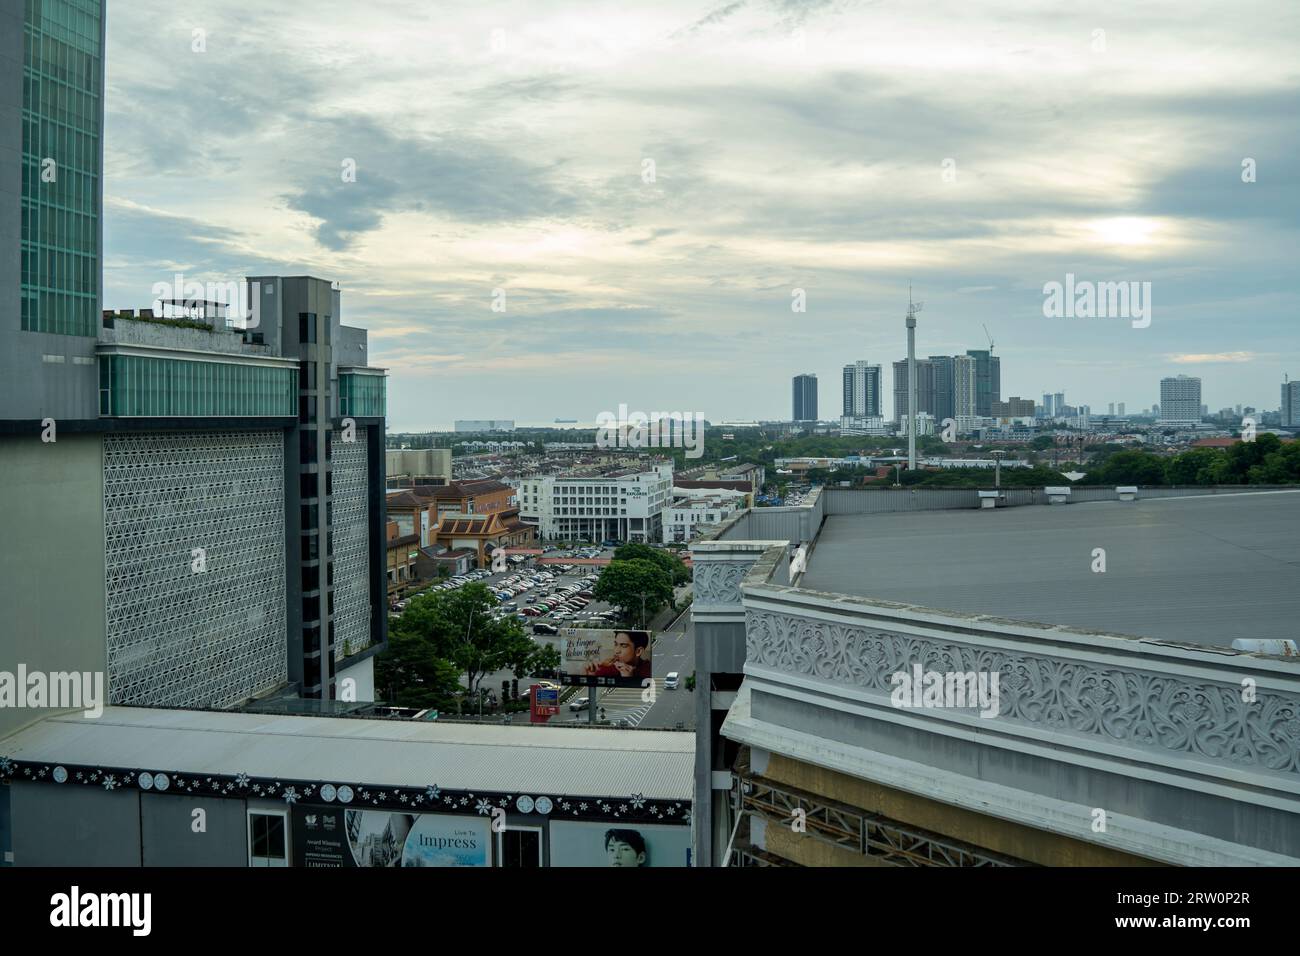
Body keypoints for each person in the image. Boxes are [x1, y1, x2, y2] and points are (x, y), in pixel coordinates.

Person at [584, 631, 651, 680]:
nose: (616, 651)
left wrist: (629, 679)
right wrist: (591, 675)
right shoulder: (606, 668)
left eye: (623, 646)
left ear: (638, 651)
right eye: (616, 644)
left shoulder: (649, 670)